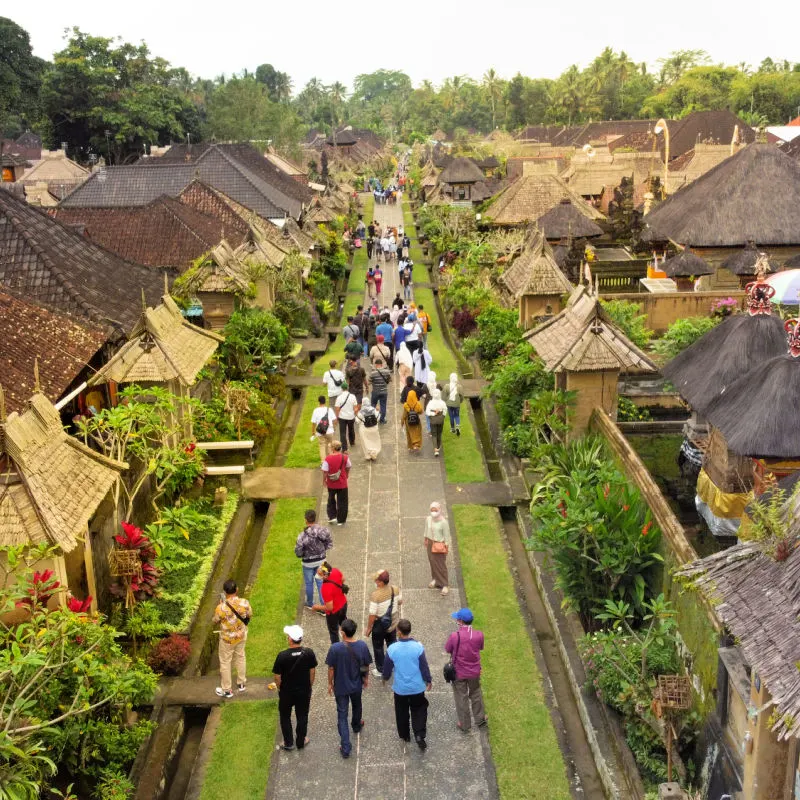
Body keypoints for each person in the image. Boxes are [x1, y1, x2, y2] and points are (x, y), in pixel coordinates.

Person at [382, 619, 432, 750]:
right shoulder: (418, 647)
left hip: (401, 689)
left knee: (401, 711)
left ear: (398, 632)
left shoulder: (392, 649)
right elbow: (424, 666)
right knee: (419, 710)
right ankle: (419, 734)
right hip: (417, 687)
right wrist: (428, 680)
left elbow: (387, 668)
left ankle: (405, 735)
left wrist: (385, 678)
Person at [326, 618, 372, 758]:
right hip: (356, 684)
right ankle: (357, 725)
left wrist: (330, 683)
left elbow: (331, 669)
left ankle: (345, 747)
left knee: (342, 714)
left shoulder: (335, 648)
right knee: (357, 705)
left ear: (343, 633)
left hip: (341, 686)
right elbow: (366, 664)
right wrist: (365, 678)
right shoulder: (362, 646)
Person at [272, 624, 317, 751]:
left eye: (288, 637)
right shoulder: (309, 653)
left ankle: (288, 742)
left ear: (291, 639)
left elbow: (277, 676)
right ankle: (301, 741)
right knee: (302, 715)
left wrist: (280, 688)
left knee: (285, 716)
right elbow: (312, 671)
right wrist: (309, 686)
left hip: (286, 692)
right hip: (303, 691)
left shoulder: (282, 656)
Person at [445, 608, 488, 732]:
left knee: (461, 697)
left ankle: (464, 724)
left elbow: (448, 649)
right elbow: (480, 647)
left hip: (458, 672)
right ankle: (480, 719)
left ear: (460, 621)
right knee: (476, 694)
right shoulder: (479, 635)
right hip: (474, 672)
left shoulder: (454, 636)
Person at [212, 579, 252, 698]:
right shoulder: (244, 602)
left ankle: (227, 690)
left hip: (227, 640)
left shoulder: (221, 608)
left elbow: (215, 620)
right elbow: (249, 614)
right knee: (240, 657)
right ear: (237, 590)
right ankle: (241, 684)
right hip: (241, 635)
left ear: (225, 592)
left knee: (225, 662)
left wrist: (220, 605)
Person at [365, 570, 402, 676]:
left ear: (380, 582)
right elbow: (400, 601)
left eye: (376, 580)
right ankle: (393, 664)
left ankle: (381, 669)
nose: (375, 581)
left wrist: (369, 628)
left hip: (380, 625)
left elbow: (372, 614)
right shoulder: (395, 589)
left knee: (378, 647)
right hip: (393, 622)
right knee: (392, 642)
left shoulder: (375, 595)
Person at [295, 509, 333, 608]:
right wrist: (321, 551)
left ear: (305, 520)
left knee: (309, 584)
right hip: (321, 562)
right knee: (321, 583)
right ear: (315, 518)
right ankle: (324, 605)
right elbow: (329, 543)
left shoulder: (301, 536)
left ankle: (310, 603)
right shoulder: (323, 530)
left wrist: (305, 554)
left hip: (307, 563)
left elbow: (298, 552)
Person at [313, 562, 348, 644]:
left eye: (319, 574)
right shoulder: (335, 571)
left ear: (325, 575)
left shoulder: (325, 588)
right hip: (343, 604)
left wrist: (316, 607)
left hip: (334, 612)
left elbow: (329, 607)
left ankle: (336, 648)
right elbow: (343, 579)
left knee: (333, 632)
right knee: (343, 623)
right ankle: (348, 640)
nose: (318, 575)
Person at [322, 441, 351, 524]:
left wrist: (324, 480)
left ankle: (332, 516)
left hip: (331, 484)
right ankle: (341, 520)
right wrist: (346, 474)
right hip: (342, 483)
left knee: (331, 499)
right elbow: (348, 466)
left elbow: (325, 471)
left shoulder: (328, 459)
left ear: (333, 449)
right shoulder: (345, 457)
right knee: (343, 502)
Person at [424, 502, 450, 595]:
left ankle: (445, 584)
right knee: (432, 563)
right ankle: (435, 579)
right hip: (431, 543)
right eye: (432, 510)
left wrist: (446, 546)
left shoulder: (443, 522)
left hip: (439, 545)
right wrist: (426, 538)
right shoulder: (428, 519)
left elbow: (447, 535)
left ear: (439, 510)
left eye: (435, 510)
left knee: (441, 565)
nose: (433, 512)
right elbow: (426, 529)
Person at [310, 395, 336, 461]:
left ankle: (324, 462)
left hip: (320, 432)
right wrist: (333, 428)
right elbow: (334, 420)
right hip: (330, 430)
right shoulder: (329, 409)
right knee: (330, 445)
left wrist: (313, 432)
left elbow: (313, 423)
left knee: (322, 446)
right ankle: (331, 460)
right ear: (325, 401)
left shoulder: (316, 410)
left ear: (319, 402)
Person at [334, 387, 358, 451]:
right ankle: (352, 442)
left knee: (342, 432)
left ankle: (344, 448)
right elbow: (355, 408)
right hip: (351, 417)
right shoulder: (353, 396)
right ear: (347, 388)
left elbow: (337, 409)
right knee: (351, 429)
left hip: (342, 417)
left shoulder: (339, 397)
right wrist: (355, 414)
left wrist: (336, 418)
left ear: (342, 389)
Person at [369, 357, 392, 424]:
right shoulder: (387, 372)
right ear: (381, 364)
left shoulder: (373, 373)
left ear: (376, 365)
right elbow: (390, 380)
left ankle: (373, 419)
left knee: (373, 405)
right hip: (384, 391)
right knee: (383, 405)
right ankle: (382, 420)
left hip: (375, 391)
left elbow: (369, 382)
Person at [426, 388, 447, 457]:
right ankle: (438, 447)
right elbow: (445, 410)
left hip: (433, 421)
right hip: (440, 420)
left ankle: (436, 449)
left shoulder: (430, 403)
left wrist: (433, 414)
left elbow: (427, 412)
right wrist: (443, 416)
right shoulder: (442, 403)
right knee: (439, 433)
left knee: (434, 434)